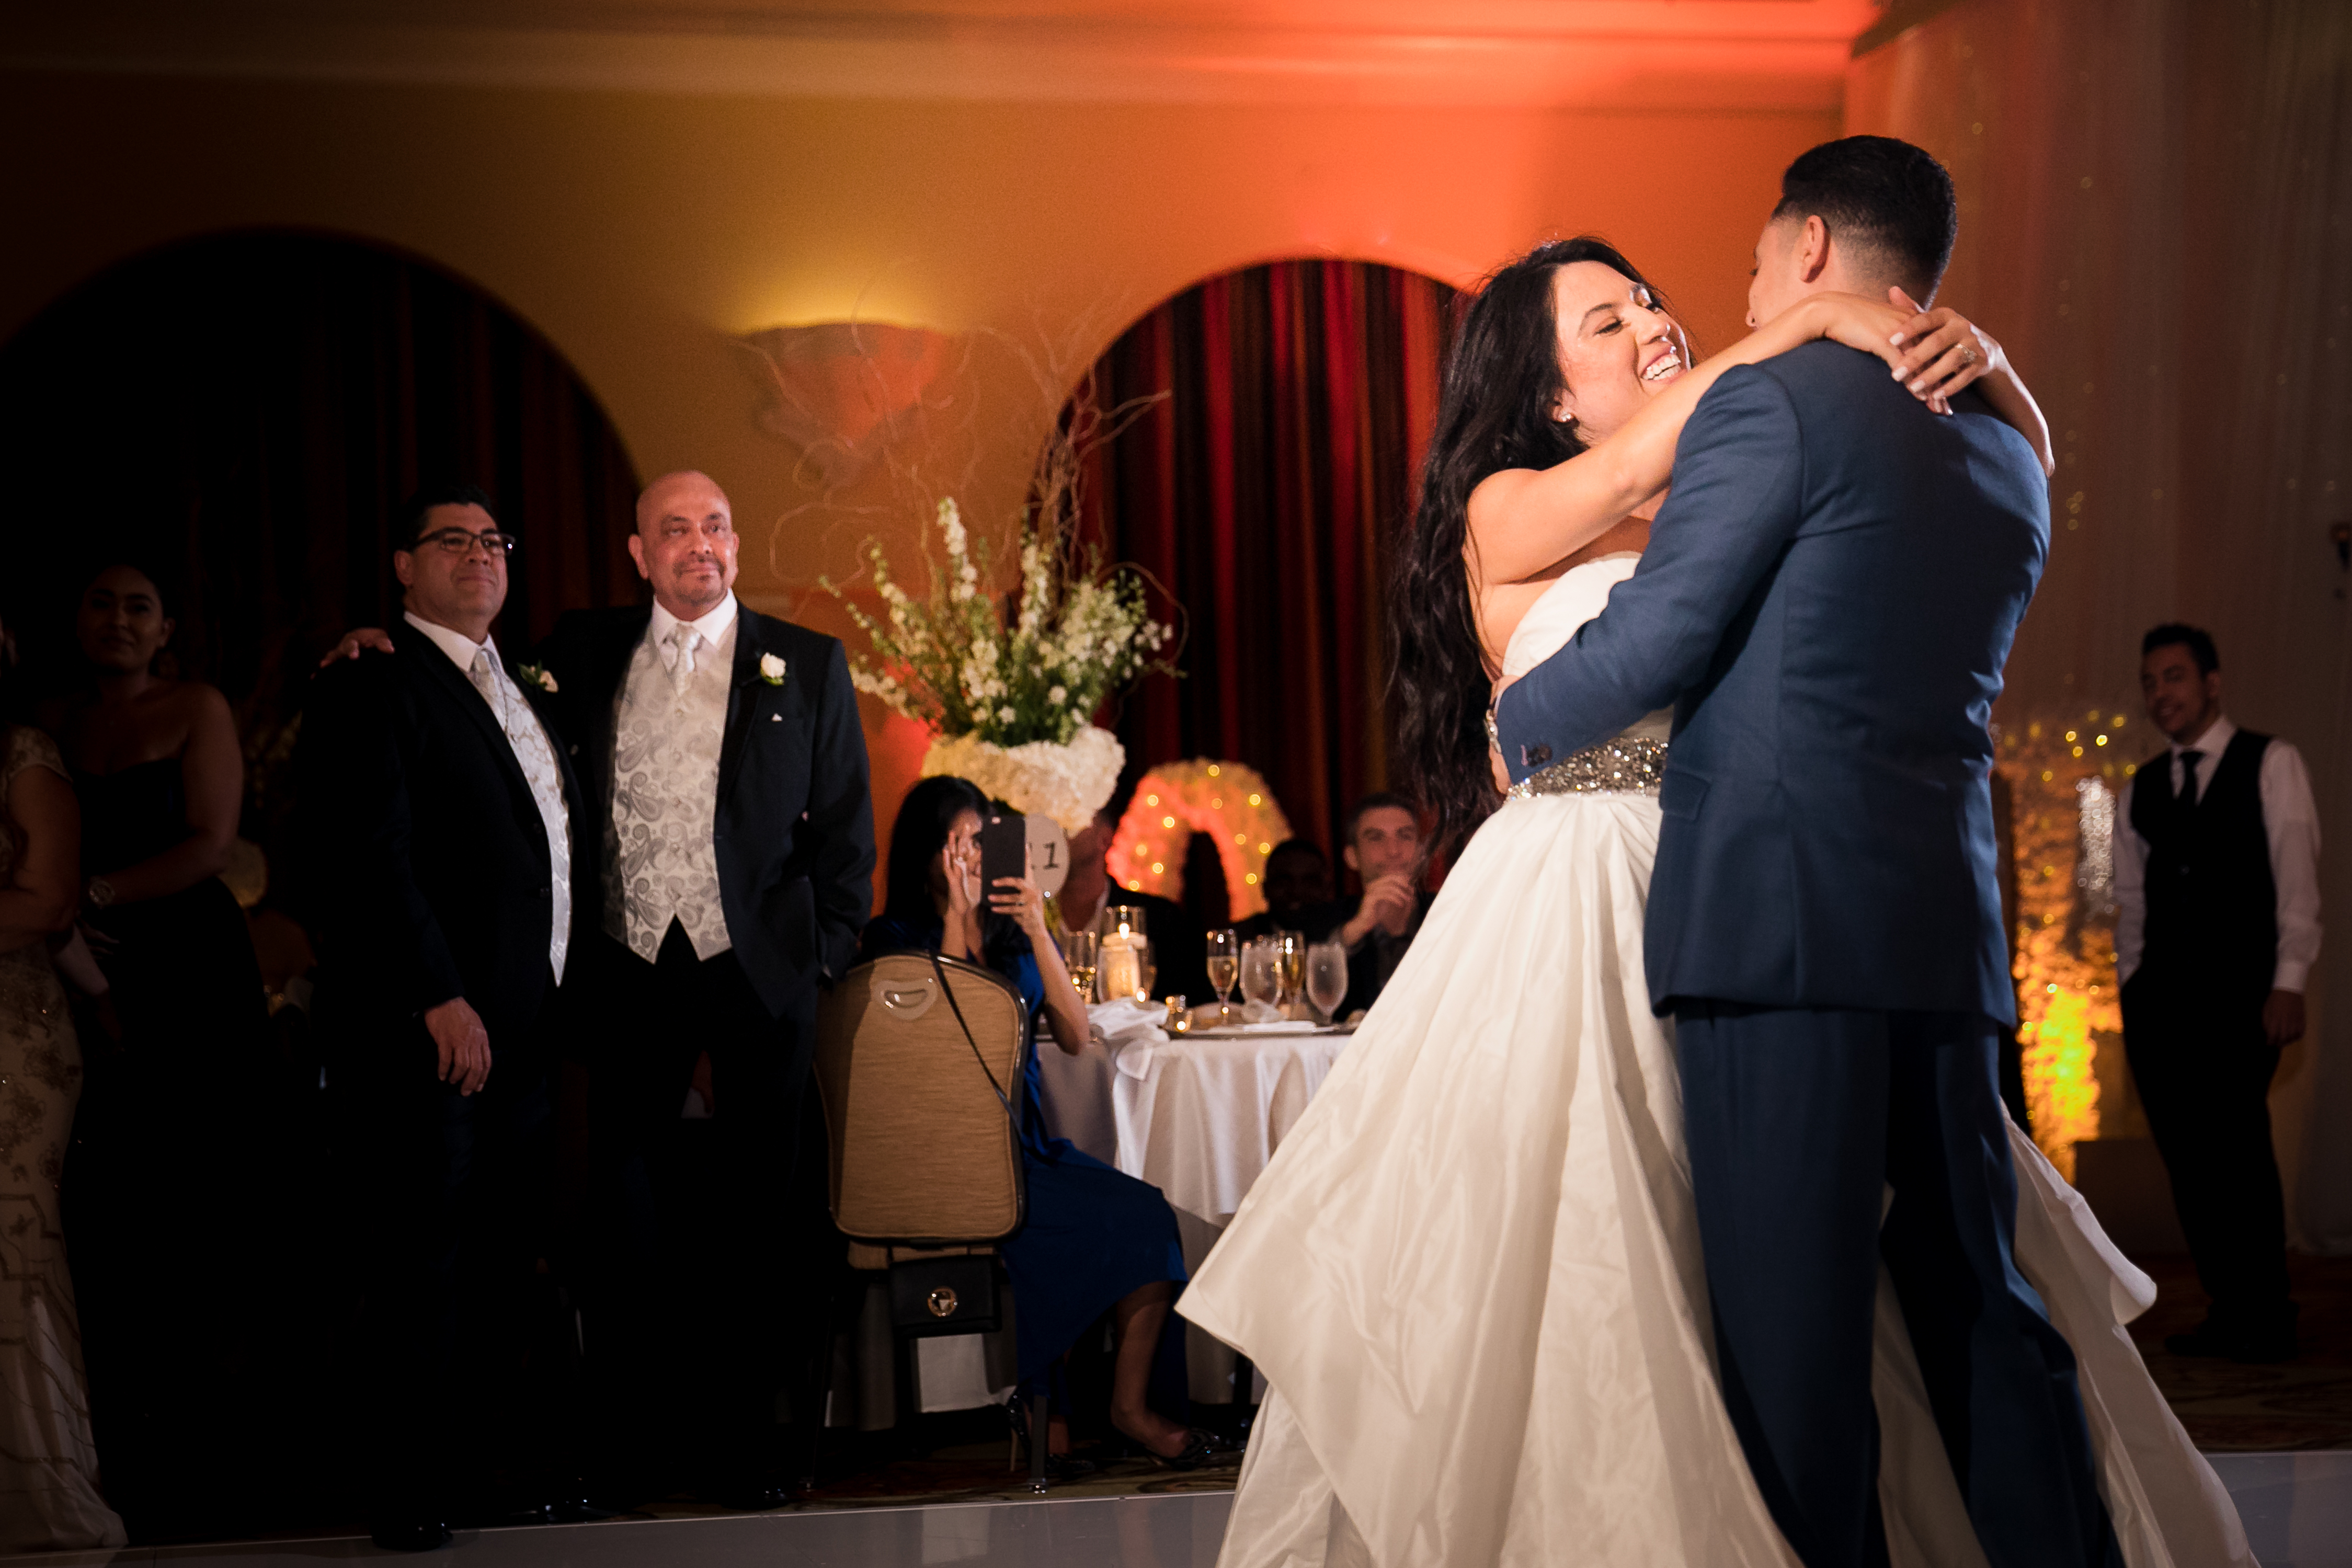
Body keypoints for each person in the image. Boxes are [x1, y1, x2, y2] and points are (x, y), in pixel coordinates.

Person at [1184, 140, 2252, 1568]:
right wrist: (1807, 324)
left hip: (1742, 887)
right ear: (1550, 391)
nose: (1652, 321)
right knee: (1622, 1277)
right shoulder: (1514, 501)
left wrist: (1969, 356)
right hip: (1585, 907)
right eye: (1604, 320)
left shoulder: (1744, 470)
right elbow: (1723, 528)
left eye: (1647, 298)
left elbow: (1910, 503)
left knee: (1812, 1292)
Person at [528, 470, 873, 1507]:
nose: (698, 546)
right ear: (638, 551)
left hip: (757, 969)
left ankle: (746, 1446)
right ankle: (637, 1444)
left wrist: (821, 953)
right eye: (673, 530)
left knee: (756, 1215)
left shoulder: (804, 660)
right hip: (626, 966)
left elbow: (848, 826)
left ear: (736, 538)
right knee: (625, 1215)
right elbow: (484, 701)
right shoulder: (579, 650)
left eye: (715, 525)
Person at [296, 485, 586, 1549]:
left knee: (505, 1259)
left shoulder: (529, 680)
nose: (477, 554)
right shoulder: (375, 678)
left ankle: (467, 1470)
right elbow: (366, 853)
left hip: (528, 1026)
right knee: (424, 1259)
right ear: (403, 567)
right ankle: (409, 1487)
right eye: (450, 540)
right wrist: (436, 992)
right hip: (434, 1027)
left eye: (493, 540)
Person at [861, 776, 1211, 1467]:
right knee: (1055, 1225)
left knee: (1144, 1212)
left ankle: (1128, 1405)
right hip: (944, 1151)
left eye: (980, 841)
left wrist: (1035, 927)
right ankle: (1040, 1400)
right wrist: (960, 919)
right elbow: (955, 1039)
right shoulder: (891, 936)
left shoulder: (1007, 933)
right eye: (959, 841)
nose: (970, 856)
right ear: (927, 849)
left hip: (1019, 1144)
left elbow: (1077, 1035)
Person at [40, 563, 269, 1538]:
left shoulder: (197, 704)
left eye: (139, 606)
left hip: (187, 970)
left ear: (166, 625)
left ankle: (218, 1464)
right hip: (75, 971)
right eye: (101, 601)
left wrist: (87, 898)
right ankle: (119, 1456)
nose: (119, 620)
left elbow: (211, 842)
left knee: (200, 1208)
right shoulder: (46, 722)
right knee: (109, 1217)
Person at [2114, 624, 2318, 1364]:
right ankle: (2227, 1307)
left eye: (2172, 675)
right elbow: (2128, 906)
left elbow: (2296, 879)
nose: (2159, 693)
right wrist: (2129, 990)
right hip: (2159, 1008)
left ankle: (2266, 1310)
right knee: (2190, 1161)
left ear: (2211, 682)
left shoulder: (2272, 761)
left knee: (2237, 1150)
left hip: (2243, 999)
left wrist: (2287, 979)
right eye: (2148, 681)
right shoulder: (2136, 788)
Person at [0, 616, 127, 1552]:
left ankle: (41, 1494)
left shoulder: (23, 751)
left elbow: (48, 898)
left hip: (17, 1034)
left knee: (11, 1234)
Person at [1051, 806, 1209, 1001]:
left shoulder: (1159, 917)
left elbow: (1189, 998)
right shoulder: (1029, 915)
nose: (1060, 834)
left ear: (1105, 839)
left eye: (1073, 825)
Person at [1316, 793, 1435, 1018]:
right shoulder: (1325, 921)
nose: (1393, 851)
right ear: (1352, 857)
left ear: (1421, 853)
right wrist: (1355, 930)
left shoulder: (1450, 911)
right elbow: (1306, 1005)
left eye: (1405, 836)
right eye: (1376, 838)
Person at [1233, 838, 1333, 942]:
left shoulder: (1346, 938)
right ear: (1265, 889)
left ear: (1327, 888)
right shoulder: (1237, 941)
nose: (1296, 891)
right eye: (1284, 882)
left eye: (1309, 882)